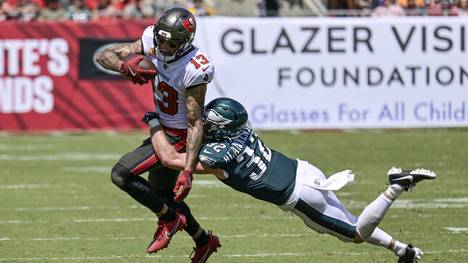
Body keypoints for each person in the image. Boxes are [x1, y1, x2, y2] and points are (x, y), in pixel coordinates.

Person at [151, 97, 437, 263]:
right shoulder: (242, 127)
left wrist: (154, 122)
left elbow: (170, 159)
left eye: (210, 123)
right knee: (347, 220)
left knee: (356, 234)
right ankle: (402, 249)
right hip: (305, 170)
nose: (205, 125)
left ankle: (395, 187)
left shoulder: (219, 154)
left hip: (298, 195)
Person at [95, 7, 221, 262]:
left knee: (121, 175)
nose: (163, 45)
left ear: (186, 42)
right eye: (161, 39)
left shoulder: (195, 66)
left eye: (171, 42)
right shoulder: (152, 38)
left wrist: (187, 170)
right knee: (162, 195)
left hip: (178, 135)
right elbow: (103, 55)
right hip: (162, 128)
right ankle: (204, 241)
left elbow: (195, 122)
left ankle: (170, 219)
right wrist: (124, 67)